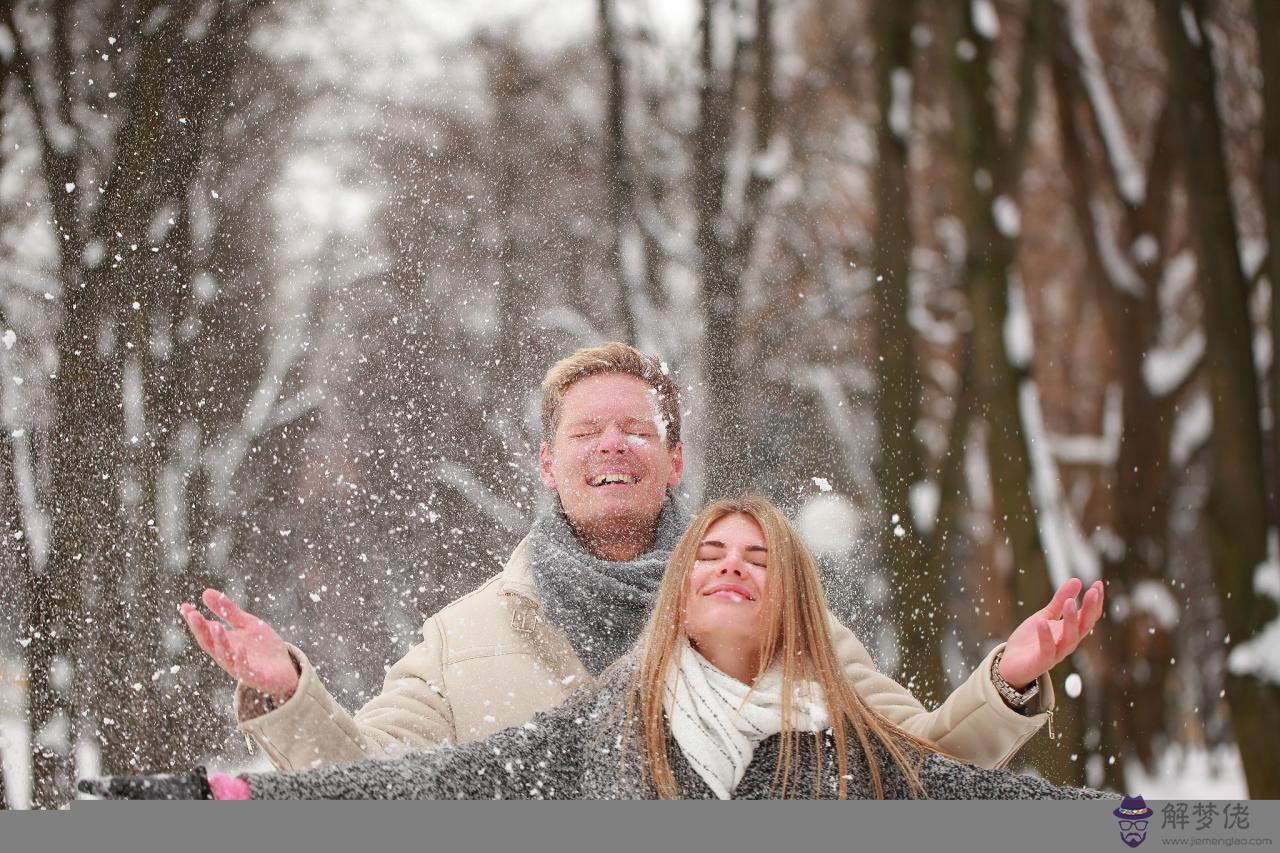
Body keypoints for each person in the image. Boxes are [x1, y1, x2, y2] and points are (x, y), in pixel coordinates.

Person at [179, 343, 1103, 772]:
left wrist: (1007, 682)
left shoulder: (780, 616)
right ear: (548, 464)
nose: (611, 445)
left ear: (674, 460)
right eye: (587, 431)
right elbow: (371, 793)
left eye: (635, 428)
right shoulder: (462, 638)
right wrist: (287, 691)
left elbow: (920, 771)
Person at [84, 496, 1111, 800]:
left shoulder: (836, 717)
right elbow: (391, 794)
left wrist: (1007, 680)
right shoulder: (480, 643)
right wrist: (268, 723)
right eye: (709, 554)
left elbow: (941, 781)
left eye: (757, 557)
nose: (728, 568)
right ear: (547, 461)